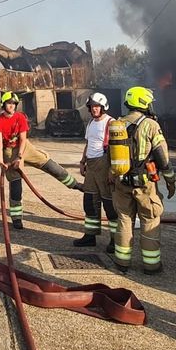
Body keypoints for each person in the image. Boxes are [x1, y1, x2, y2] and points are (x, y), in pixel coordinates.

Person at [109, 86, 176, 274]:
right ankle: (151, 265)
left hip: (121, 181)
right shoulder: (151, 125)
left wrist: (112, 178)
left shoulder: (118, 124)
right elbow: (162, 157)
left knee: (124, 219)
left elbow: (110, 155)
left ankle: (122, 262)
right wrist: (170, 180)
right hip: (145, 183)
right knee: (150, 220)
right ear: (144, 102)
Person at [0, 91, 81, 230]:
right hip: (8, 150)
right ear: (3, 105)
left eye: (14, 104)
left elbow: (23, 139)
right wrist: (2, 161)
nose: (12, 106)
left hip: (24, 147)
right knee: (16, 185)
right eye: (9, 104)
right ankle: (16, 218)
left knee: (47, 163)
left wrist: (20, 156)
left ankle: (75, 184)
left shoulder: (20, 117)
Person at [73, 92, 117, 247]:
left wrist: (112, 169)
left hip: (105, 164)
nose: (94, 109)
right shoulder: (91, 123)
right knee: (90, 201)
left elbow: (117, 148)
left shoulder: (111, 123)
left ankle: (115, 239)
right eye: (91, 107)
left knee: (109, 204)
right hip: (91, 165)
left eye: (97, 106)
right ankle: (90, 236)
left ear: (103, 107)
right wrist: (82, 161)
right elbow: (88, 143)